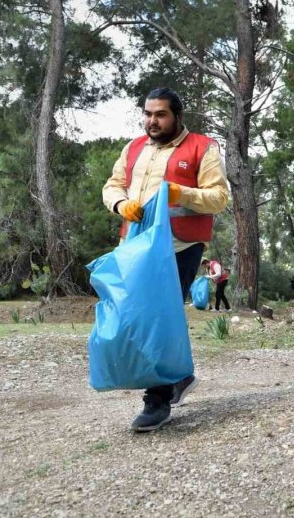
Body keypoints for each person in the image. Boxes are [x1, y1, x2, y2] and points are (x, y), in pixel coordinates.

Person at [102, 87, 229, 432]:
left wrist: (179, 191)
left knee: (157, 316)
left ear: (177, 116)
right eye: (147, 114)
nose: (152, 121)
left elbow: (219, 198)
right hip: (135, 246)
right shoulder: (133, 149)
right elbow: (112, 185)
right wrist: (119, 204)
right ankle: (180, 375)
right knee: (137, 315)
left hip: (180, 245)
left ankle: (156, 400)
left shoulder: (203, 147)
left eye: (160, 114)